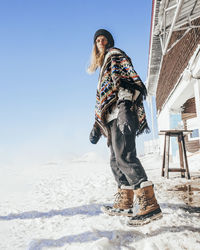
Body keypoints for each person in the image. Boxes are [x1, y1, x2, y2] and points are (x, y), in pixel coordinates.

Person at [88, 29, 162, 226]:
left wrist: (124, 109)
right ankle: (125, 202)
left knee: (125, 156)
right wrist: (97, 125)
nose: (100, 41)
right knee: (115, 160)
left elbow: (127, 83)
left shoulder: (115, 55)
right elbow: (102, 100)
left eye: (103, 38)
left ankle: (149, 204)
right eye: (97, 40)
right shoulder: (103, 66)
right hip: (111, 119)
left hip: (123, 113)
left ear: (109, 42)